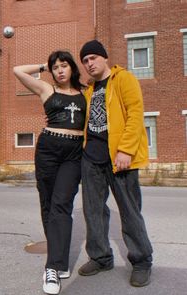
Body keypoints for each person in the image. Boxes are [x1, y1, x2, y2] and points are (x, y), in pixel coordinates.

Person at [78, 40, 153, 287]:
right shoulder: (89, 90)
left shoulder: (124, 79)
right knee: (93, 211)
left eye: (92, 58)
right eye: (85, 61)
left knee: (130, 212)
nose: (89, 63)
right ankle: (101, 257)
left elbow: (135, 113)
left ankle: (141, 261)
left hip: (120, 158)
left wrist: (125, 150)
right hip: (92, 159)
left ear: (104, 57)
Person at [13, 50, 86, 295]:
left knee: (61, 205)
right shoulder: (47, 90)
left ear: (73, 68)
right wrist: (44, 66)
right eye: (56, 68)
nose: (60, 70)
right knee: (48, 204)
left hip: (73, 155)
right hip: (48, 150)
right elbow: (18, 71)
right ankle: (60, 257)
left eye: (64, 66)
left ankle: (53, 267)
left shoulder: (85, 93)